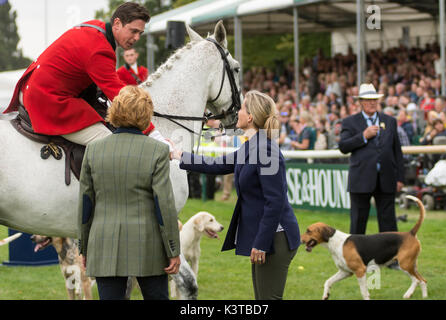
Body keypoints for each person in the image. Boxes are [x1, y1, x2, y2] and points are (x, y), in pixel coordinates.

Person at [172, 90, 301, 300]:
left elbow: (275, 201)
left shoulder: (265, 149)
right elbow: (218, 164)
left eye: (241, 108)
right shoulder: (252, 145)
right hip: (268, 236)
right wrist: (180, 156)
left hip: (275, 238)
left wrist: (261, 242)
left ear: (250, 117)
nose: (238, 111)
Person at [4, 2, 166, 147]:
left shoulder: (95, 26)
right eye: (133, 31)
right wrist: (152, 132)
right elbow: (120, 97)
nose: (137, 38)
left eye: (140, 33)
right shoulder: (101, 49)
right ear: (117, 23)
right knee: (113, 147)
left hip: (31, 88)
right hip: (47, 100)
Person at [78, 86, 180, 300]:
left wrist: (84, 247)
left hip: (104, 242)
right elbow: (164, 204)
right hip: (149, 244)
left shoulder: (93, 150)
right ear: (146, 114)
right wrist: (172, 249)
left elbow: (86, 203)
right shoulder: (158, 151)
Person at [339, 83, 405, 235]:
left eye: (374, 99)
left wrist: (400, 178)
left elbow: (397, 152)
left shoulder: (389, 121)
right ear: (360, 102)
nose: (372, 103)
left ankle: (390, 258)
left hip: (386, 179)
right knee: (358, 225)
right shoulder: (350, 122)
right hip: (361, 180)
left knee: (389, 224)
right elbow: (343, 146)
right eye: (368, 100)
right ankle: (355, 258)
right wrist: (363, 136)